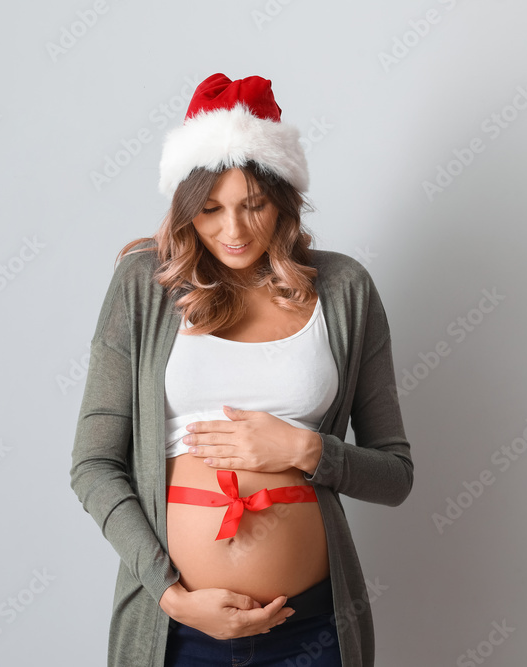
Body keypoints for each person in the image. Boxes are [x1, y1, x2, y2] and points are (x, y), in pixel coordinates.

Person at [70, 73, 414, 667]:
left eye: (253, 205)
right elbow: (94, 465)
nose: (233, 231)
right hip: (177, 630)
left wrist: (308, 449)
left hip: (312, 631)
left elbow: (395, 475)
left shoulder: (345, 289)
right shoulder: (144, 285)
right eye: (210, 209)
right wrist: (171, 596)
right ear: (184, 207)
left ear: (283, 199)